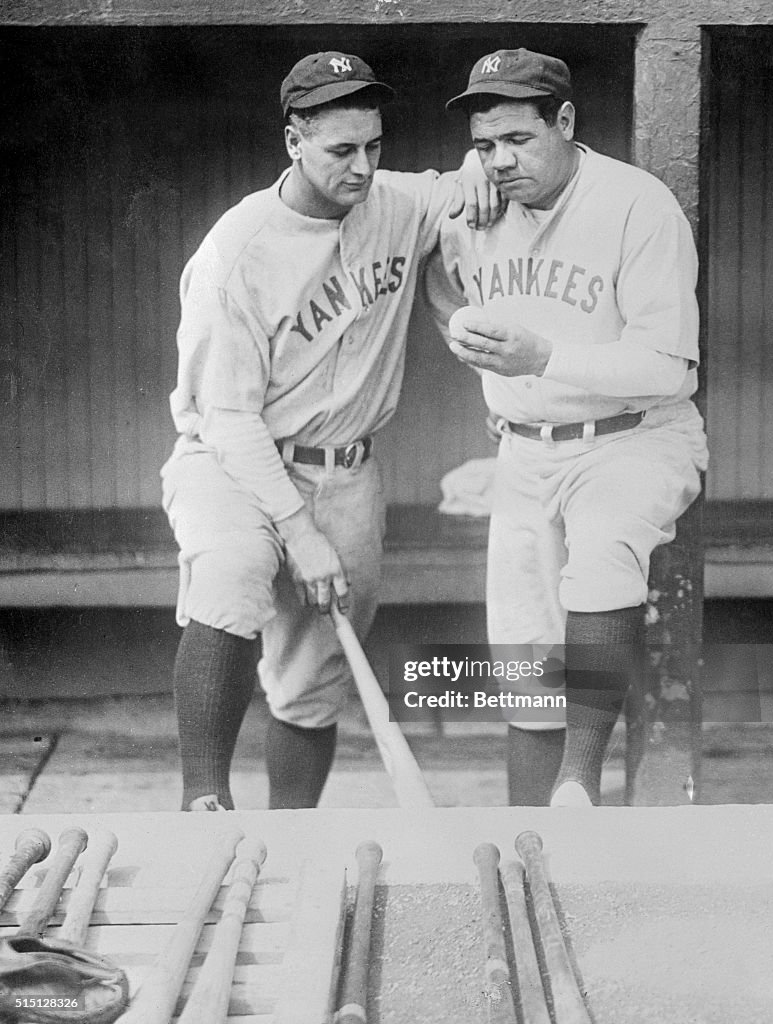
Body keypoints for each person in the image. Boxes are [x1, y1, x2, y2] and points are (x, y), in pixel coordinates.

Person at [161, 51, 499, 811]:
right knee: (234, 570)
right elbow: (227, 416)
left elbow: (454, 188)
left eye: (373, 147)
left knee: (315, 672)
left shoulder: (394, 201)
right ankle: (201, 802)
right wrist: (297, 532)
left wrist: (474, 174)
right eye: (340, 150)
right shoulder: (236, 253)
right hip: (232, 460)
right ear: (293, 142)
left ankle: (292, 832)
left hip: (345, 470)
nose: (361, 167)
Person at [425, 48, 709, 806]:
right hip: (524, 450)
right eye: (486, 145)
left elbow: (668, 367)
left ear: (566, 121)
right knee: (524, 652)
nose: (501, 160)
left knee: (602, 549)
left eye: (520, 139)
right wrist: (454, 320)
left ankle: (578, 784)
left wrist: (542, 356)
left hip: (634, 436)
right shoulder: (473, 204)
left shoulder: (633, 203)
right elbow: (428, 267)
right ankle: (535, 827)